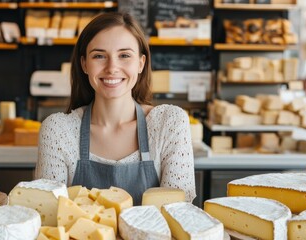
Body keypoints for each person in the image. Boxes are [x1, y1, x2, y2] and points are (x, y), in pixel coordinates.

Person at [35, 12, 196, 204]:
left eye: (124, 55)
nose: (112, 67)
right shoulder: (58, 130)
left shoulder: (169, 123)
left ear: (141, 63)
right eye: (99, 56)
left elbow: (177, 213)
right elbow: (50, 214)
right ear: (84, 64)